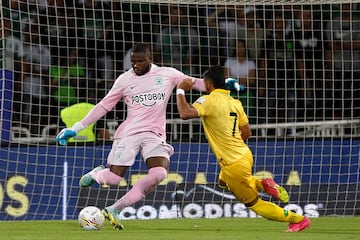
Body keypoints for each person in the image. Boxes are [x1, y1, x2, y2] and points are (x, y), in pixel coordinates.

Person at [55, 43, 206, 229]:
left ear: (150, 58)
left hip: (154, 134)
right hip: (129, 133)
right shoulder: (124, 80)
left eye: (140, 61)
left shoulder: (167, 74)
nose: (135, 65)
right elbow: (104, 106)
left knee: (159, 173)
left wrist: (220, 86)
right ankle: (97, 174)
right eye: (133, 62)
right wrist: (76, 128)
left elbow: (195, 82)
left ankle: (115, 208)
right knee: (114, 179)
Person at [175, 66, 310, 232]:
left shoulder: (207, 101)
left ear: (208, 85)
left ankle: (298, 220)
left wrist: (180, 90)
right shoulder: (235, 102)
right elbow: (246, 132)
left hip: (233, 163)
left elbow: (185, 113)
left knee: (255, 204)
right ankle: (262, 183)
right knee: (222, 182)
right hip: (244, 155)